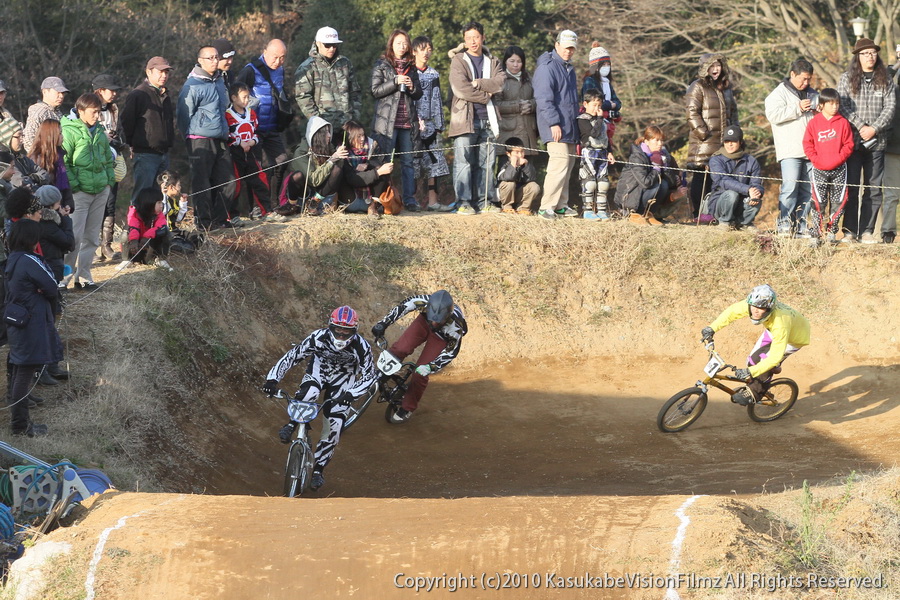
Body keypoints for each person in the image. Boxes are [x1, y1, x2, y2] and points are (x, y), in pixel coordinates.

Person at [263, 306, 375, 491]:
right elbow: (293, 356)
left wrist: (351, 394)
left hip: (344, 379)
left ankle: (318, 471)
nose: (341, 335)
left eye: (346, 331)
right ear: (330, 326)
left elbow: (370, 375)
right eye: (337, 329)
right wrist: (272, 378)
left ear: (354, 331)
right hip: (319, 371)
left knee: (334, 425)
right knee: (309, 393)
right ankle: (292, 424)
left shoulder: (361, 346)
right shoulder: (318, 337)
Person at [700, 284, 810, 405]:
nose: (756, 311)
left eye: (761, 308)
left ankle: (756, 393)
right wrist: (712, 328)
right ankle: (761, 377)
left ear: (769, 309)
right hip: (773, 330)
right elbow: (731, 313)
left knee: (765, 363)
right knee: (752, 361)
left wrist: (751, 372)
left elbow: (774, 357)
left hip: (793, 338)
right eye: (754, 306)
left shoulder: (780, 324)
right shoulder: (752, 303)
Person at [371, 290, 467, 423]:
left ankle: (407, 407)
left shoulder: (456, 326)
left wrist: (431, 367)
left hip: (442, 336)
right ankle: (381, 375)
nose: (434, 324)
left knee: (420, 373)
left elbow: (451, 352)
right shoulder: (423, 301)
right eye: (433, 319)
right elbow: (401, 308)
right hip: (423, 321)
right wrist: (383, 324)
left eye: (438, 321)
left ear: (447, 317)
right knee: (399, 349)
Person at [5, 219, 63, 437]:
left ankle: (20, 423)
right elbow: (51, 285)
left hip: (19, 320)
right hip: (31, 321)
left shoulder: (13, 259)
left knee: (20, 368)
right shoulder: (29, 260)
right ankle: (20, 426)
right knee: (25, 370)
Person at [837, 38, 896, 244]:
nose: (869, 56)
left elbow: (890, 108)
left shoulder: (886, 78)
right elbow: (842, 105)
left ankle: (867, 231)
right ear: (857, 56)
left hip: (878, 143)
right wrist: (862, 126)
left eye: (872, 52)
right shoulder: (846, 78)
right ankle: (849, 231)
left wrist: (874, 128)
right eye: (864, 53)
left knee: (873, 189)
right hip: (852, 142)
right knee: (852, 187)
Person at [448, 21, 505, 215]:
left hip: (488, 118)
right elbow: (460, 89)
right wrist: (485, 95)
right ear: (464, 40)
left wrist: (478, 83)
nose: (473, 41)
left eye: (476, 37)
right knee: (463, 161)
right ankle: (463, 202)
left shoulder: (493, 61)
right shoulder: (459, 60)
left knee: (487, 163)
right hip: (464, 118)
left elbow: (499, 83)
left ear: (483, 37)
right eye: (469, 38)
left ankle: (485, 201)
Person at [61, 93, 115, 290]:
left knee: (92, 236)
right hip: (79, 193)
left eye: (99, 112)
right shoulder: (68, 131)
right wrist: (75, 186)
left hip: (101, 189)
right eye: (93, 112)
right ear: (81, 110)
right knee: (73, 236)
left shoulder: (100, 131)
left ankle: (84, 275)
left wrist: (109, 181)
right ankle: (64, 276)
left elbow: (108, 159)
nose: (97, 116)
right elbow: (64, 162)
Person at [235, 39, 292, 209]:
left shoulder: (280, 70)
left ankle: (275, 203)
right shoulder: (250, 70)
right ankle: (255, 208)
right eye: (275, 57)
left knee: (282, 161)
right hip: (254, 130)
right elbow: (236, 98)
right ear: (264, 51)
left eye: (282, 58)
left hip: (273, 127)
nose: (278, 62)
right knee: (256, 168)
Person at [371, 29, 423, 212]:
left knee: (408, 162)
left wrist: (411, 86)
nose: (402, 46)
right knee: (386, 162)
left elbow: (418, 94)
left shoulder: (412, 65)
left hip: (407, 122)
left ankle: (409, 199)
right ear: (391, 44)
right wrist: (394, 81)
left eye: (405, 43)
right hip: (387, 124)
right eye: (398, 43)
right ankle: (382, 199)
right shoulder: (382, 64)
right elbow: (375, 91)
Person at [764, 59, 817, 237]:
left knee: (808, 191)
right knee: (790, 187)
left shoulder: (812, 93)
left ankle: (802, 225)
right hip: (790, 151)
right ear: (793, 74)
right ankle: (784, 223)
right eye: (803, 79)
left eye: (809, 79)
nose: (806, 83)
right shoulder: (778, 94)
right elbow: (773, 115)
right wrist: (797, 108)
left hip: (811, 151)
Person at [533, 30, 580, 220]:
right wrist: (553, 122)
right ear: (557, 44)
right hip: (555, 125)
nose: (569, 51)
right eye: (566, 47)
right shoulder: (547, 67)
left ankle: (561, 205)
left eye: (572, 48)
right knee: (558, 163)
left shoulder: (569, 68)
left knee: (568, 164)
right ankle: (546, 207)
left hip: (569, 124)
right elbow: (543, 98)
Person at [685, 53, 738, 221]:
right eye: (712, 65)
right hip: (704, 142)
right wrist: (703, 133)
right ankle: (697, 214)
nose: (716, 69)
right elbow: (691, 112)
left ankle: (713, 213)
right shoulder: (697, 86)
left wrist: (735, 134)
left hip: (724, 142)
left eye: (718, 65)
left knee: (719, 179)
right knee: (701, 176)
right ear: (705, 68)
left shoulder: (726, 87)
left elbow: (733, 112)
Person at [225, 82, 285, 222]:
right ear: (234, 98)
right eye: (244, 97)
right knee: (236, 184)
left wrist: (253, 141)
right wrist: (240, 143)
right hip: (235, 154)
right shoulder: (227, 115)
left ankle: (267, 211)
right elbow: (226, 135)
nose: (247, 100)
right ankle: (232, 216)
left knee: (259, 180)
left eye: (248, 97)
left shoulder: (251, 113)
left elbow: (256, 132)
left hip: (250, 152)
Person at [120, 56, 175, 204]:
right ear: (148, 72)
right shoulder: (138, 94)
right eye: (160, 71)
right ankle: (135, 226)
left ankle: (155, 227)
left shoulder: (165, 94)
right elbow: (126, 121)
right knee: (142, 193)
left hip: (163, 153)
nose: (164, 75)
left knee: (159, 195)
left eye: (167, 72)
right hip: (145, 153)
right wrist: (131, 144)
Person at [802, 88, 854, 245]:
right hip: (819, 168)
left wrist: (839, 159)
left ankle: (832, 231)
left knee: (839, 200)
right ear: (822, 104)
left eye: (837, 103)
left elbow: (849, 144)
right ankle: (816, 233)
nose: (834, 107)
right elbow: (807, 144)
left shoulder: (843, 122)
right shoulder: (814, 123)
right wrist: (816, 160)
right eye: (831, 103)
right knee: (818, 201)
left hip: (839, 169)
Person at [410, 36, 451, 211]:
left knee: (435, 163)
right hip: (411, 125)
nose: (426, 52)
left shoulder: (433, 74)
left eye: (429, 49)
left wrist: (439, 125)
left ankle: (433, 202)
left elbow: (437, 100)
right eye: (422, 48)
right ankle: (411, 201)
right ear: (414, 51)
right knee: (412, 164)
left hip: (429, 125)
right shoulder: (408, 72)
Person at [613, 125, 685, 226]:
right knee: (656, 185)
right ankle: (635, 214)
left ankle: (649, 214)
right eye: (656, 140)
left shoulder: (663, 156)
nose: (660, 144)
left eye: (661, 140)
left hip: (646, 192)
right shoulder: (637, 156)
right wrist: (656, 167)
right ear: (646, 141)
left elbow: (671, 183)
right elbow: (645, 183)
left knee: (663, 184)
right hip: (630, 197)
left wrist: (664, 166)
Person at [294, 26, 362, 133]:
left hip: (347, 127)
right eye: (327, 45)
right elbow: (303, 98)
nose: (331, 49)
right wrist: (318, 123)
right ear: (318, 43)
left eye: (334, 45)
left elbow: (355, 92)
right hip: (323, 129)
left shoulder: (345, 63)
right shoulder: (307, 67)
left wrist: (354, 119)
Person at [91, 73, 126, 262]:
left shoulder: (114, 109)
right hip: (94, 162)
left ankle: (107, 245)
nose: (113, 94)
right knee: (96, 203)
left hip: (112, 160)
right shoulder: (89, 108)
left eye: (115, 90)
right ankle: (93, 246)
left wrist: (119, 141)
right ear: (99, 91)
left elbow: (118, 130)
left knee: (111, 202)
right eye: (109, 90)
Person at [707, 125, 763, 231]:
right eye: (727, 141)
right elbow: (723, 181)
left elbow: (757, 183)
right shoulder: (716, 159)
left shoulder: (751, 161)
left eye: (733, 141)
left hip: (742, 202)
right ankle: (725, 222)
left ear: (740, 142)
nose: (730, 144)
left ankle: (744, 223)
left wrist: (757, 193)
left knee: (757, 199)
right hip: (720, 202)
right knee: (732, 194)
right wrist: (748, 189)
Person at [495, 46, 538, 167]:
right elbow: (495, 104)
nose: (515, 65)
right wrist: (517, 106)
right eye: (512, 61)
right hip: (508, 133)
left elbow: (539, 99)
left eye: (519, 61)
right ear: (505, 62)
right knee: (507, 175)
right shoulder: (500, 80)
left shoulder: (529, 79)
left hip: (528, 132)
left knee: (528, 175)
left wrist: (531, 105)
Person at [340, 120, 394, 214]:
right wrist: (377, 173)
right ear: (350, 137)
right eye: (358, 136)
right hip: (350, 200)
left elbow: (380, 163)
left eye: (363, 135)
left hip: (370, 200)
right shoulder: (342, 152)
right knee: (339, 173)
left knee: (383, 169)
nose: (362, 139)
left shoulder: (372, 146)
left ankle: (373, 206)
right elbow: (352, 179)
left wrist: (368, 164)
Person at [577, 88, 616, 220]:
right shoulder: (582, 119)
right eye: (594, 105)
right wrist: (600, 118)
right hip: (589, 152)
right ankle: (588, 210)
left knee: (603, 183)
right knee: (589, 183)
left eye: (599, 105)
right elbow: (594, 133)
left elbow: (605, 137)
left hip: (602, 153)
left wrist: (610, 152)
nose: (597, 108)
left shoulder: (603, 121)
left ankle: (602, 210)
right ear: (585, 104)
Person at [119, 188, 171, 270]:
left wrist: (146, 237)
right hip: (135, 250)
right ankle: (126, 260)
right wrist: (134, 240)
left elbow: (160, 226)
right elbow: (133, 226)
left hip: (149, 251)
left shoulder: (159, 215)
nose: (162, 205)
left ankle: (161, 260)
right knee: (126, 230)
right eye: (159, 203)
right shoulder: (134, 212)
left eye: (161, 202)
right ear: (149, 203)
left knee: (165, 230)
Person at [28, 119, 74, 212]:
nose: (62, 137)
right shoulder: (36, 159)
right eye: (60, 133)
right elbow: (40, 190)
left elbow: (65, 184)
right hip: (46, 211)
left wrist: (68, 205)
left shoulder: (59, 156)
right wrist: (55, 207)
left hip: (60, 207)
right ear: (51, 136)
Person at [581, 43, 622, 146]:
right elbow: (594, 103)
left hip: (607, 123)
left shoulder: (607, 82)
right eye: (603, 65)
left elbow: (618, 103)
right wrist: (610, 104)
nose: (606, 67)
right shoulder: (590, 81)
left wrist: (613, 105)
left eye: (608, 65)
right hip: (594, 123)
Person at [35, 185, 74, 284]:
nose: (60, 205)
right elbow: (68, 242)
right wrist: (66, 220)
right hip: (51, 265)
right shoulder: (48, 224)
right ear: (51, 205)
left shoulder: (39, 220)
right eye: (58, 202)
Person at [0, 121, 50, 193]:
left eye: (22, 136)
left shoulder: (22, 158)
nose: (22, 140)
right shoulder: (4, 161)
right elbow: (21, 183)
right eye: (18, 136)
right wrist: (34, 182)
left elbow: (45, 174)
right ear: (7, 138)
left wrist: (33, 177)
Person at [23, 77, 68, 152]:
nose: (61, 96)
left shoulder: (57, 112)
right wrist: (40, 159)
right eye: (58, 92)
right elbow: (28, 139)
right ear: (45, 92)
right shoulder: (39, 112)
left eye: (63, 93)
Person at [497, 137, 540, 215]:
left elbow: (532, 178)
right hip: (505, 195)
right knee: (510, 183)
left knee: (534, 186)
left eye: (522, 151)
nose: (520, 155)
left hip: (518, 194)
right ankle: (507, 207)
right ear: (508, 153)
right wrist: (513, 164)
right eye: (516, 152)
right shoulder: (504, 163)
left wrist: (526, 166)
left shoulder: (525, 162)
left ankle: (523, 208)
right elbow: (508, 178)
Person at [883, 47, 900, 244]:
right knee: (892, 194)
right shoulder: (891, 91)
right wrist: (898, 62)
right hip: (893, 147)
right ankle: (888, 232)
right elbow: (884, 78)